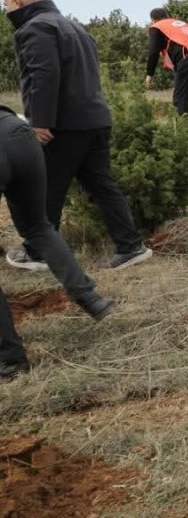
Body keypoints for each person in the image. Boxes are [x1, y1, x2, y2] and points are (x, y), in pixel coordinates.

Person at [2, 0, 152, 272]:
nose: (7, 10)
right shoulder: (74, 27)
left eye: (6, 4)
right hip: (95, 120)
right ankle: (131, 245)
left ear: (18, 2)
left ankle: (37, 252)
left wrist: (41, 121)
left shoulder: (35, 28)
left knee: (44, 188)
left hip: (63, 125)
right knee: (102, 185)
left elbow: (44, 74)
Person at [1, 103, 116, 382]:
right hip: (19, 132)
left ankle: (10, 358)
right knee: (39, 226)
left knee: (37, 227)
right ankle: (90, 298)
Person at [145, 7, 188, 115]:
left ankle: (184, 130)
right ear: (167, 16)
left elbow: (153, 51)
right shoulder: (182, 24)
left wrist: (149, 74)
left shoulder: (156, 26)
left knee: (180, 99)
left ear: (153, 20)